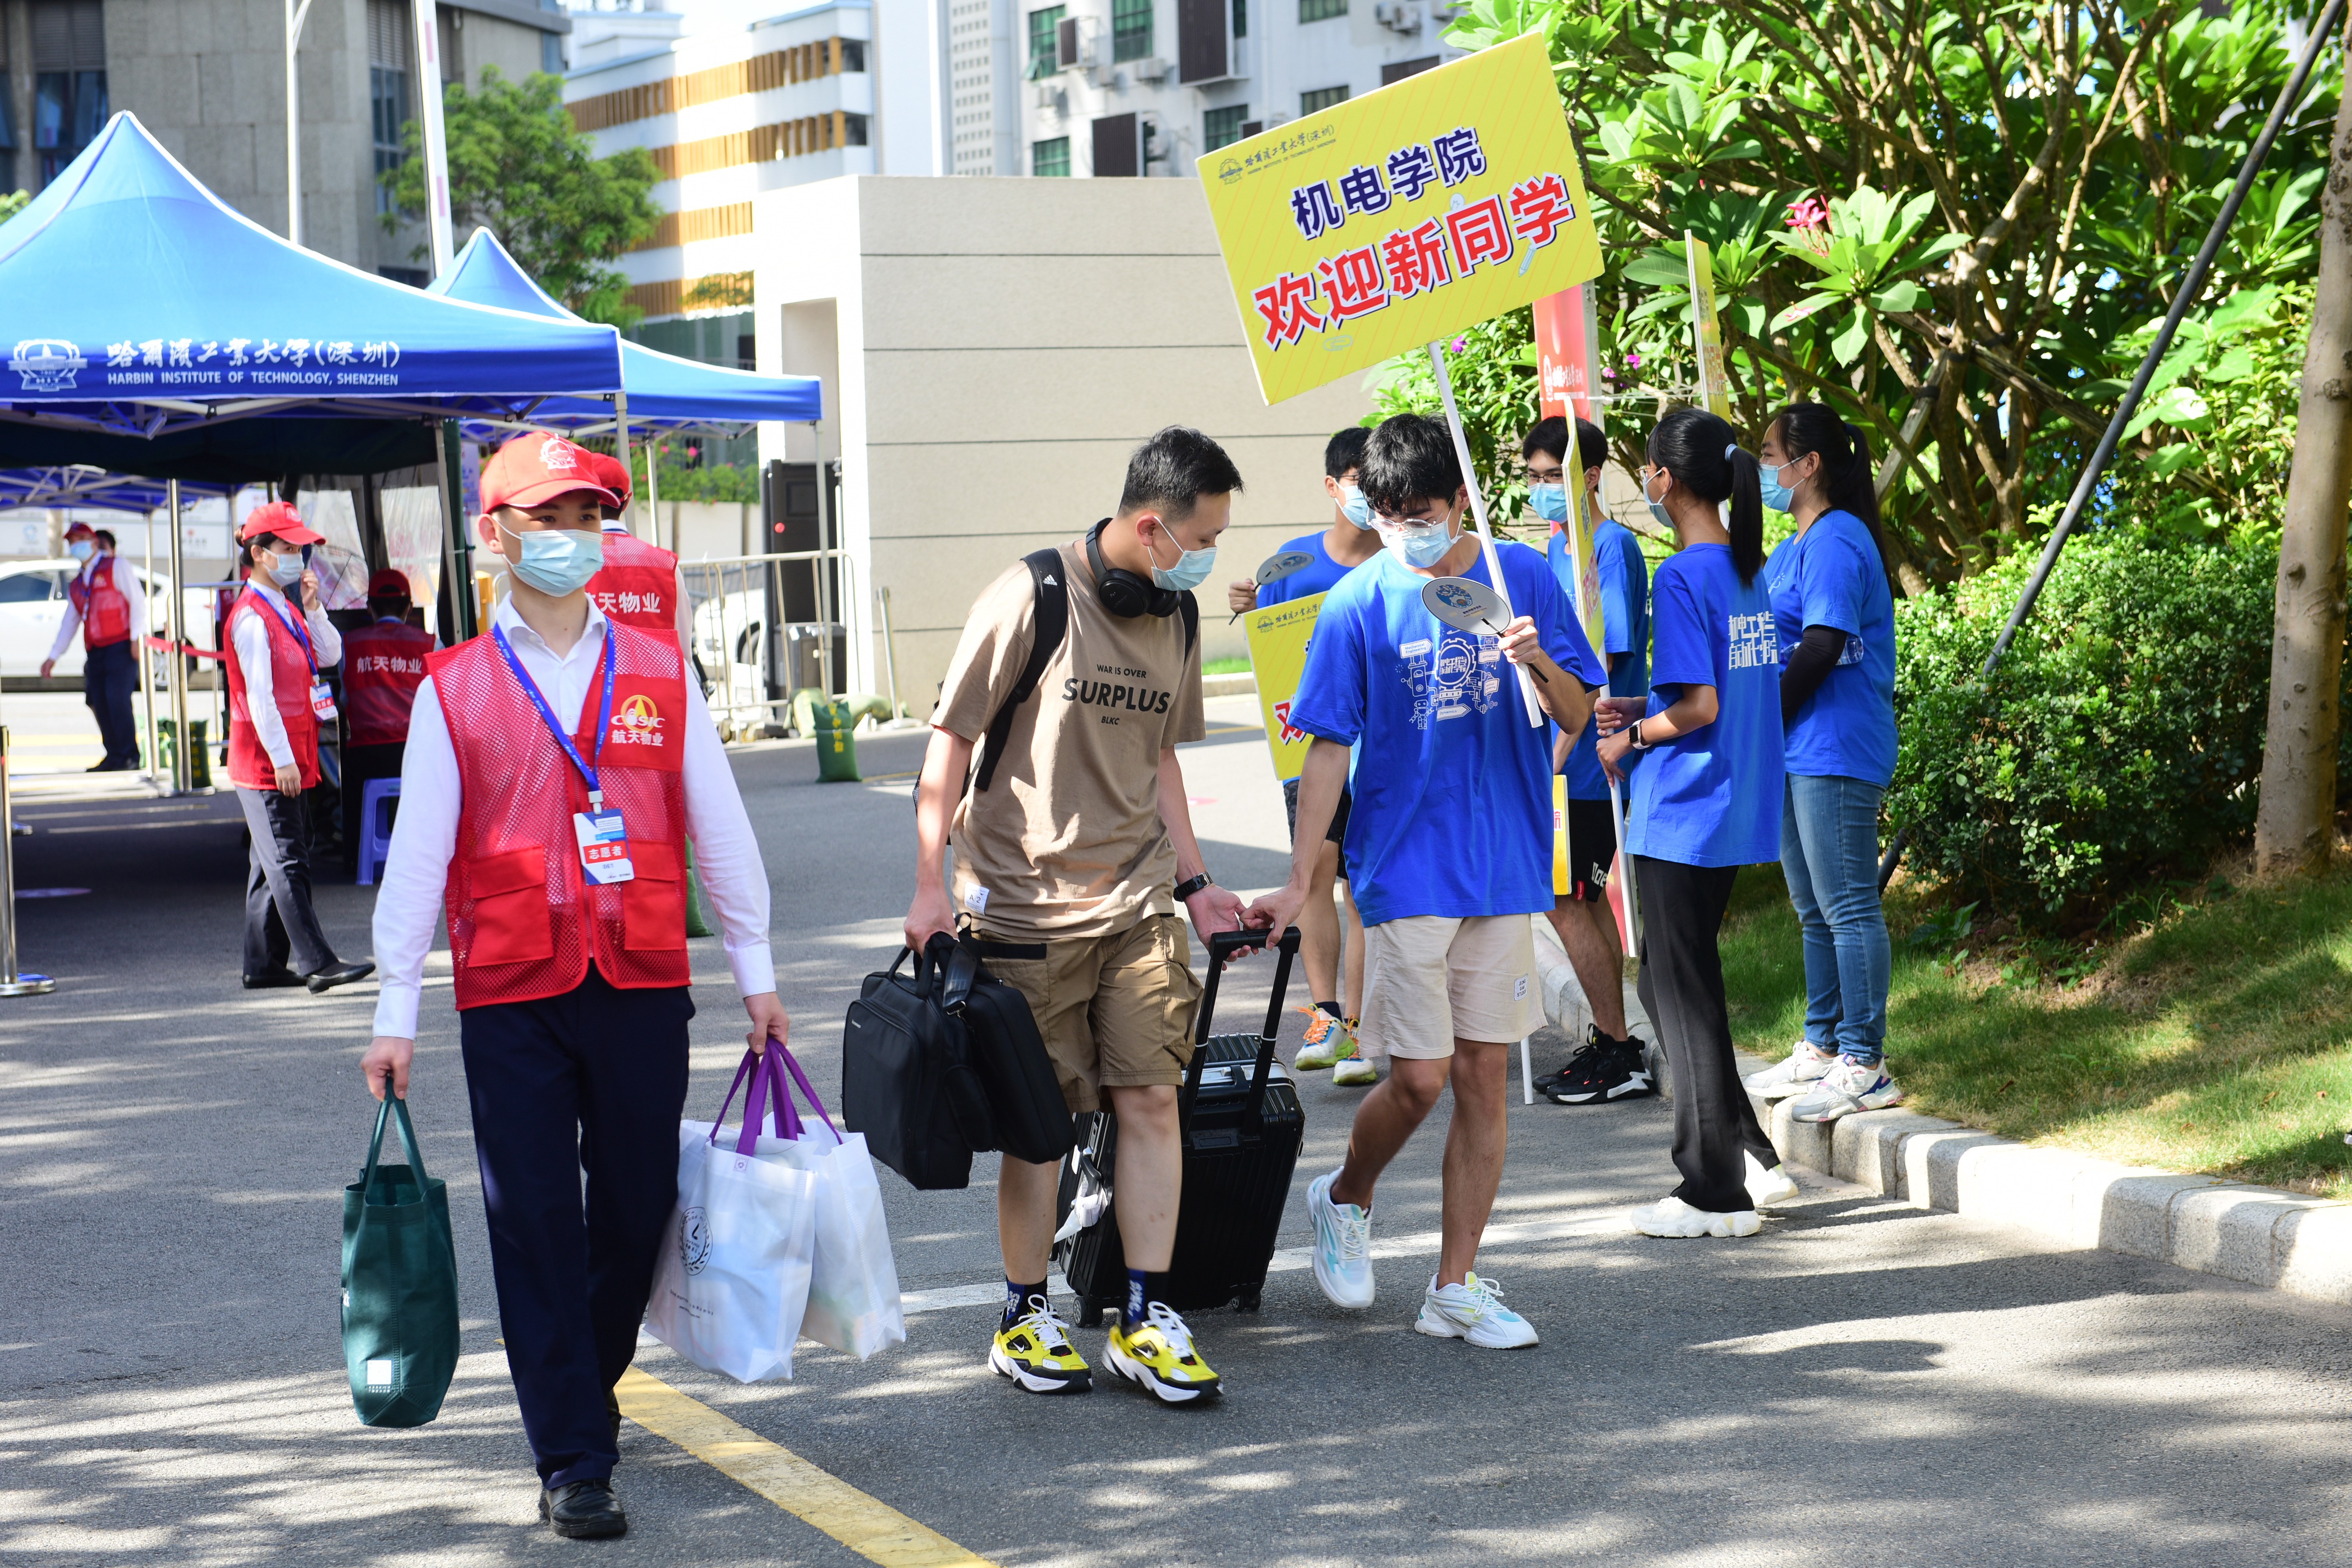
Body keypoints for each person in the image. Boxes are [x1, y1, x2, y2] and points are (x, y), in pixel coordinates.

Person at [360, 431, 786, 1542]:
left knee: (639, 1205)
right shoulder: (454, 687)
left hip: (641, 970)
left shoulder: (656, 669)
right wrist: (393, 1011)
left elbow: (721, 830)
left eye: (590, 515)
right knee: (536, 1216)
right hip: (509, 984)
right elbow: (416, 861)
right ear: (496, 534)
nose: (571, 536)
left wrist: (759, 973)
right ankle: (572, 1455)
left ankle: (585, 1379)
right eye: (547, 518)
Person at [905, 426, 1250, 1405]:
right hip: (1023, 912)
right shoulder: (1030, 595)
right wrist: (929, 885)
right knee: (1040, 1125)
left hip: (1136, 905)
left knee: (1148, 1099)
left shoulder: (1175, 616)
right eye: (1201, 537)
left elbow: (1162, 759)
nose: (1207, 555)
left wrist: (1195, 880)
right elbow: (949, 740)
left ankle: (1142, 1314)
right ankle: (1024, 1313)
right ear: (1150, 525)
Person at [1250, 413, 1602, 1349]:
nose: (1412, 530)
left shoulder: (1519, 578)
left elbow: (1576, 711)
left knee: (1484, 1079)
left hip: (1505, 862)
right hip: (1403, 865)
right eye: (1393, 514)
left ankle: (1455, 1284)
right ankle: (1346, 1193)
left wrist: (1534, 658)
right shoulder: (1359, 601)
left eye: (1427, 512)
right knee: (1418, 1078)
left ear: (1458, 499)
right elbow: (1326, 745)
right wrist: (1300, 877)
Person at [1592, 409, 1794, 1240]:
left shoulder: (1680, 577)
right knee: (1684, 987)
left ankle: (1712, 1189)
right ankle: (1750, 1154)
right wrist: (1647, 707)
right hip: (1734, 807)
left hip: (1681, 816)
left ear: (1664, 481)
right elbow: (1723, 692)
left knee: (1676, 991)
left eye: (1647, 469)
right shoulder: (1749, 571)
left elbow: (1701, 705)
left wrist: (1630, 736)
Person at [1741, 404, 1904, 1122]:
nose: (1764, 468)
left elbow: (1824, 643)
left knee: (1847, 906)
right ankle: (1822, 1046)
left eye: (1771, 453)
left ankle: (1865, 1061)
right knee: (1812, 908)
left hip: (1834, 744)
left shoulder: (1838, 538)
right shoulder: (1794, 545)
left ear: (1808, 464)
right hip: (1795, 748)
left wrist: (1761, 718)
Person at [1223, 426, 1381, 1086]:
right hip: (1313, 748)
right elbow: (1274, 654)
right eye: (1355, 481)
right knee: (1314, 868)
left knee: (1363, 883)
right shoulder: (1290, 567)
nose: (1367, 495)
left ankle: (1366, 1027)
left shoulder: (1400, 566)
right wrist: (1249, 609)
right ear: (1332, 486)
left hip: (1386, 751)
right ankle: (1326, 1014)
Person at [1523, 415, 1655, 1105]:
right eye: (1536, 479)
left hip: (1585, 768)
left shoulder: (1608, 548)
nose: (1545, 490)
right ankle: (1613, 1041)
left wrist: (1558, 753)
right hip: (1561, 766)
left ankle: (1620, 1049)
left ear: (1591, 476)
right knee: (1578, 901)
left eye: (1556, 477)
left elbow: (1598, 668)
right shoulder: (1555, 549)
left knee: (1565, 901)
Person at [225, 504, 374, 994]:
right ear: (261, 554)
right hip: (270, 759)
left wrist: (313, 606)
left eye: (299, 548)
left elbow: (330, 654)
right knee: (288, 859)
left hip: (288, 752)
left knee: (272, 861)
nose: (298, 556)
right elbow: (258, 696)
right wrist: (283, 758)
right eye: (288, 548)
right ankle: (316, 960)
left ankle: (264, 963)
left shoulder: (285, 606)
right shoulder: (251, 617)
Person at [339, 569, 435, 871]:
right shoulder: (431, 645)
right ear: (409, 607)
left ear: (369, 607)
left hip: (365, 755)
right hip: (415, 754)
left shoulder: (349, 644)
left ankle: (357, 859)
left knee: (354, 784)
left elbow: (344, 700)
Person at [41, 522, 145, 772]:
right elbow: (71, 621)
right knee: (99, 701)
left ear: (94, 542)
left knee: (118, 700)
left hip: (120, 645)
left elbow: (138, 602)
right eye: (72, 542)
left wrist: (136, 639)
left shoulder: (116, 566)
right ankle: (114, 754)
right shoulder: (78, 583)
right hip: (96, 650)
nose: (76, 546)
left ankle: (130, 755)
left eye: (81, 540)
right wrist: (54, 656)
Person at [583, 450, 694, 646]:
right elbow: (682, 651)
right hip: (658, 676)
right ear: (626, 502)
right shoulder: (667, 566)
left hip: (593, 677)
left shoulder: (570, 562)